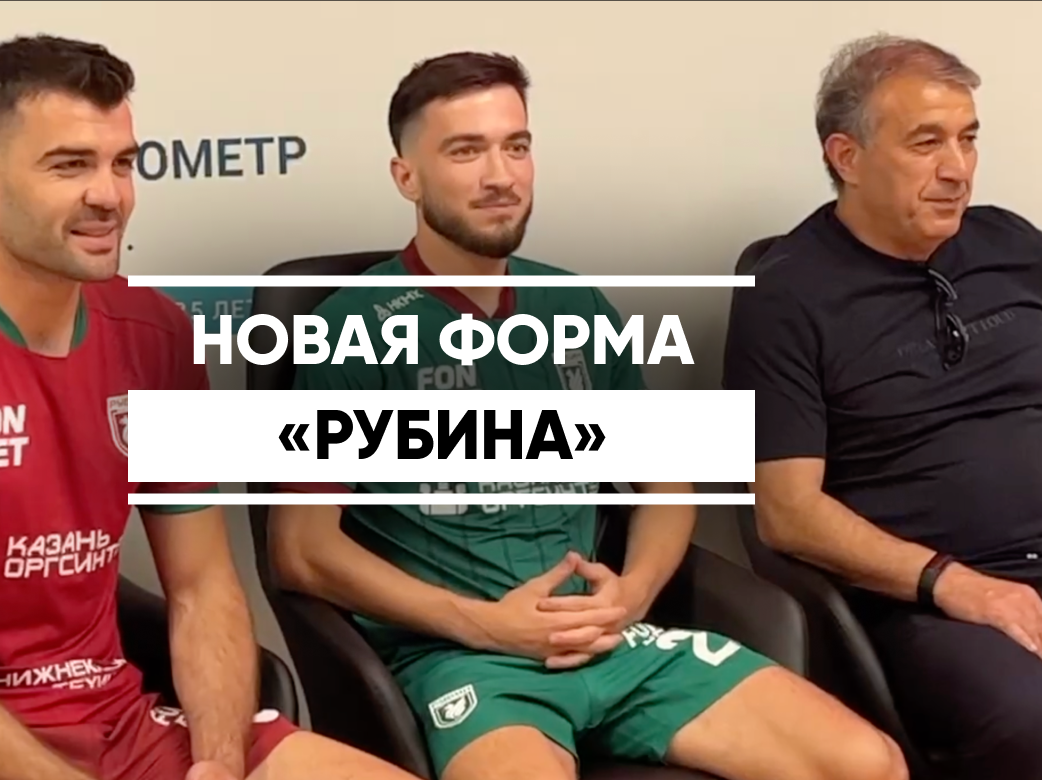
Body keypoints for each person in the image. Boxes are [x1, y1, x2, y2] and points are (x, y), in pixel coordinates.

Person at [270, 51, 908, 780]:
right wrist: (484, 624)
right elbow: (302, 550)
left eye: (516, 146)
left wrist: (631, 595)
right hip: (465, 658)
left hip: (611, 641)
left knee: (869, 764)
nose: (501, 176)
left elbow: (667, 488)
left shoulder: (574, 304)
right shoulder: (355, 327)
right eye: (466, 151)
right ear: (406, 176)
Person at [0, 35, 421, 780]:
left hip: (122, 726)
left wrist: (218, 764)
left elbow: (203, 585)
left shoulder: (156, 335)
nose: (108, 195)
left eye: (122, 163)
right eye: (69, 165)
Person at [722, 33, 1042, 780]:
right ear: (847, 157)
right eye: (926, 143)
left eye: (967, 139)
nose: (957, 169)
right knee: (1032, 720)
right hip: (933, 600)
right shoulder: (786, 295)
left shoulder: (1011, 243)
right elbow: (786, 513)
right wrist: (956, 584)